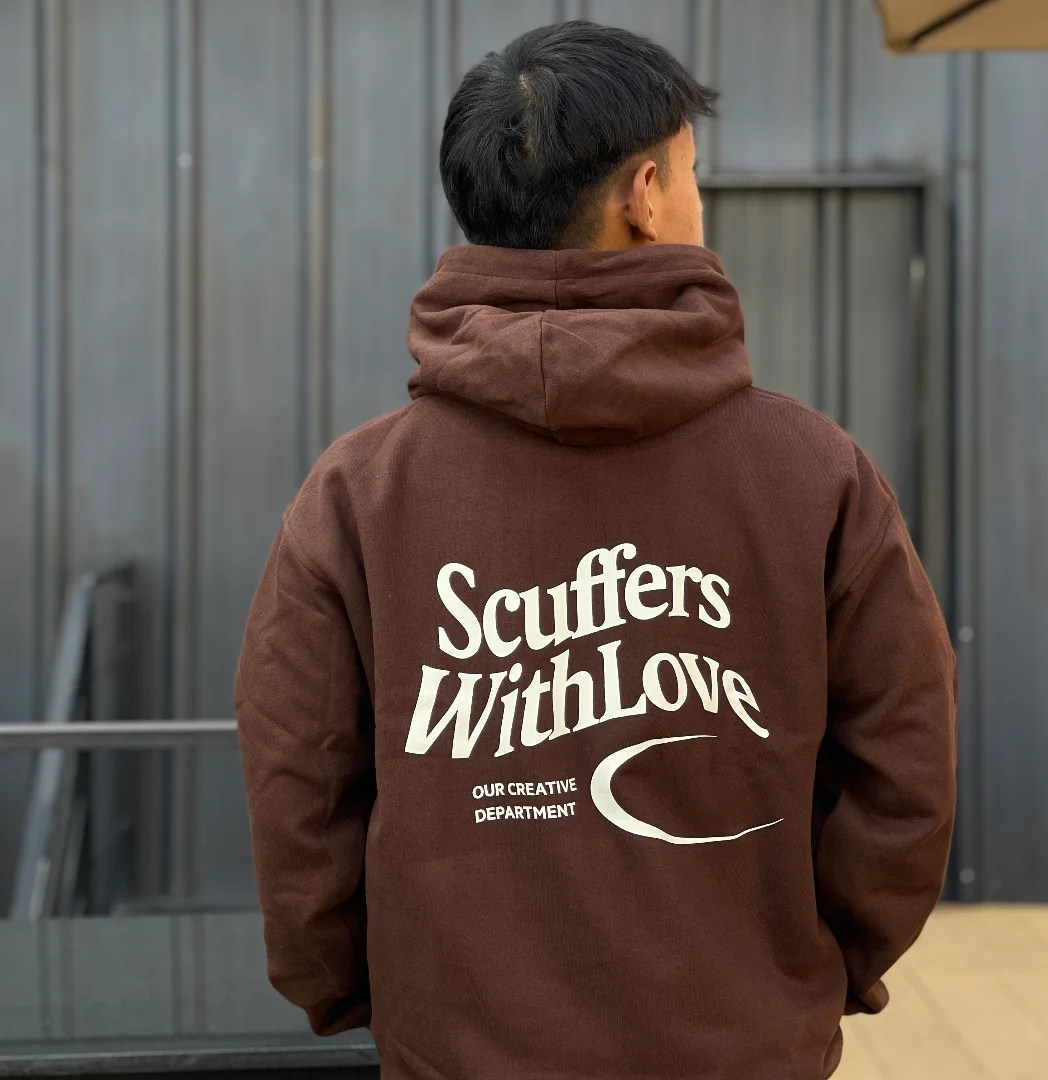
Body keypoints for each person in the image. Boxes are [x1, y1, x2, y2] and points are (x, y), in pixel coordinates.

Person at [234, 20, 957, 1080]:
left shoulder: (354, 494)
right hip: (742, 1051)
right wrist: (804, 971)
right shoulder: (816, 474)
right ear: (647, 195)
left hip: (455, 1055)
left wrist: (368, 988)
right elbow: (907, 765)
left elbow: (296, 782)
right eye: (695, 177)